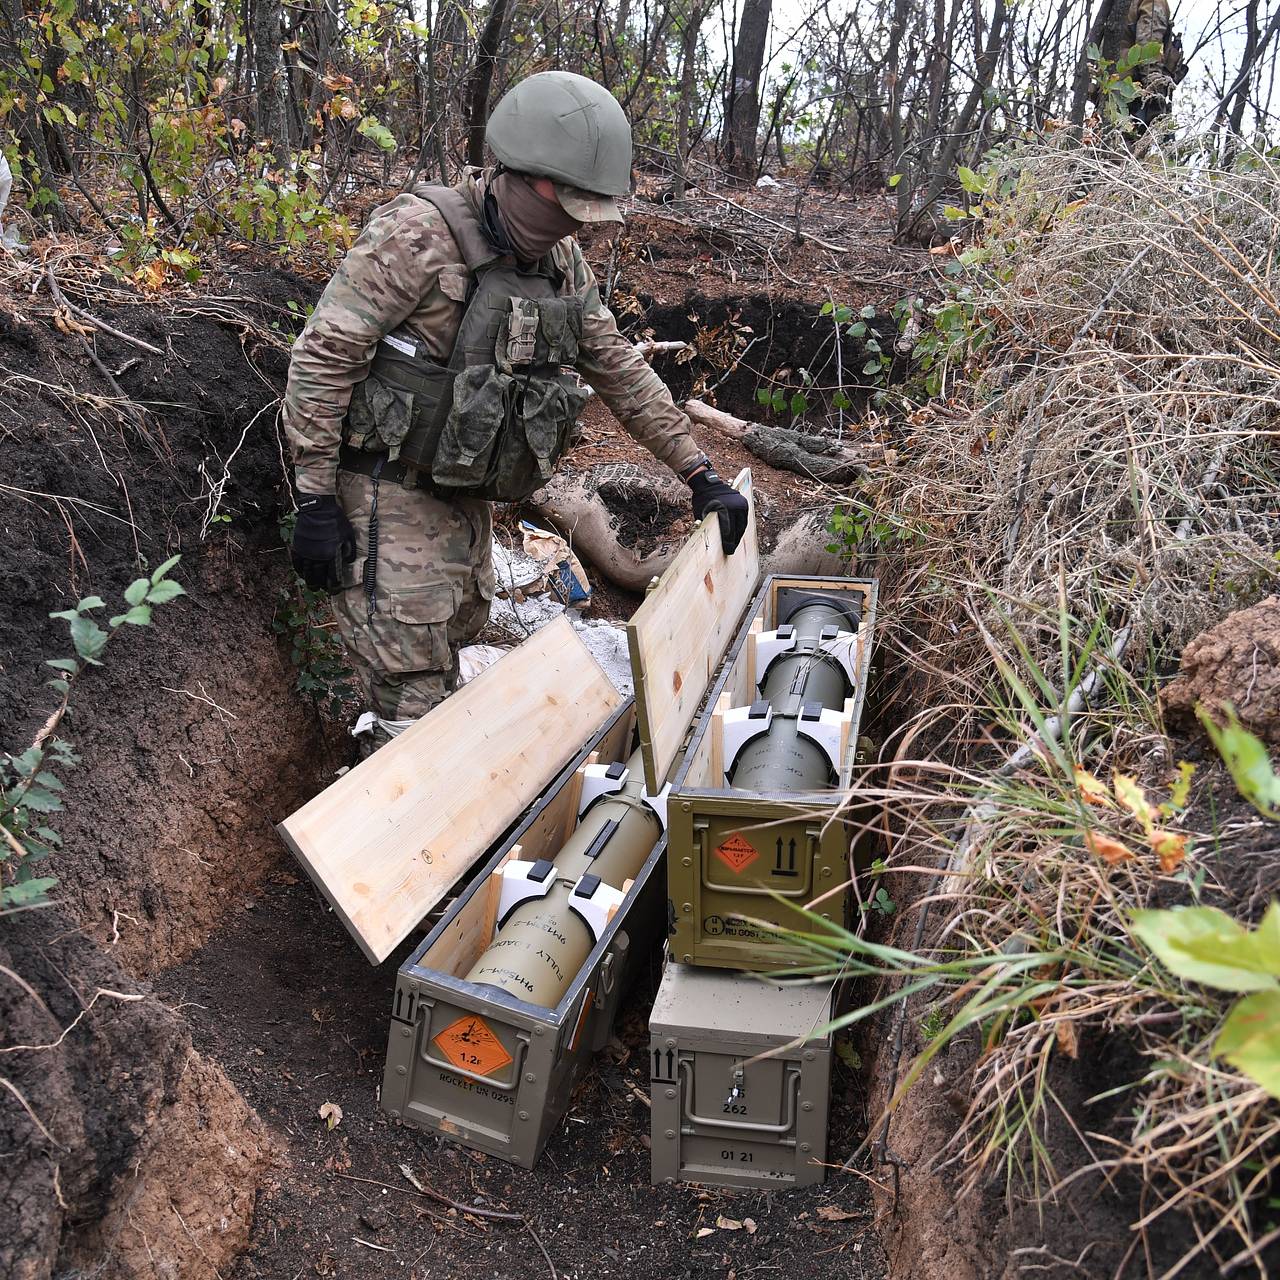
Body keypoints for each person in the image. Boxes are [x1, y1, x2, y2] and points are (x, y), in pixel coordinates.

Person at [283, 71, 750, 751]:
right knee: (412, 713)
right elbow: (324, 358)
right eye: (565, 208)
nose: (572, 229)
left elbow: (617, 366)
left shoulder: (560, 264)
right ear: (520, 176)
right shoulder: (417, 235)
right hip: (385, 495)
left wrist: (699, 471)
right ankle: (397, 842)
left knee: (451, 659)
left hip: (465, 503)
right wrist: (314, 500)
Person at [1120, 0, 1187, 133]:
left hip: (1115, 90)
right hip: (1134, 98)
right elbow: (1148, 50)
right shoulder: (1153, 2)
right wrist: (1155, 99)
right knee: (1124, 149)